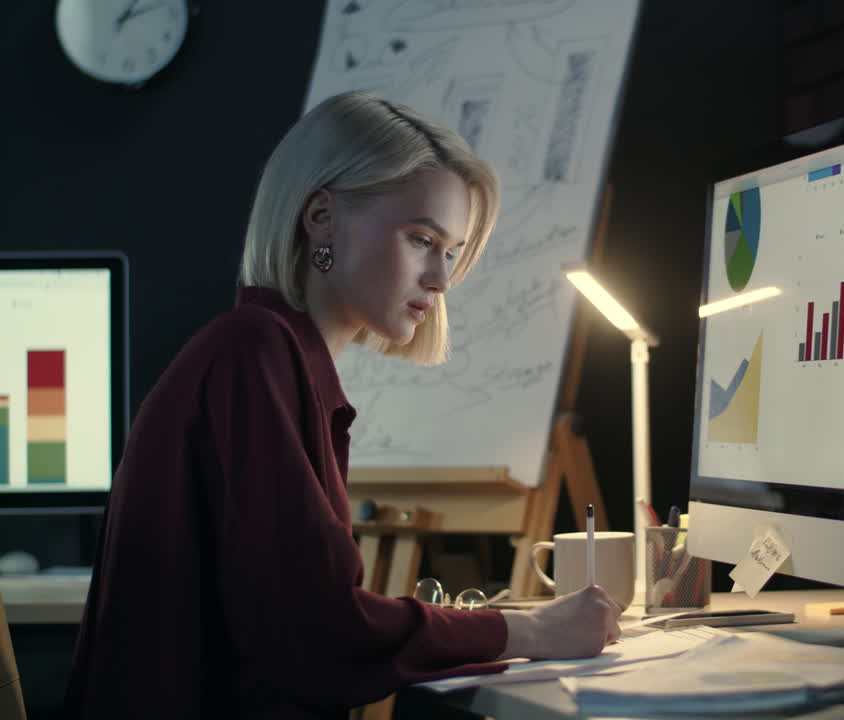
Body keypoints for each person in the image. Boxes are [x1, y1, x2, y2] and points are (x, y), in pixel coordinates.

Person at [65, 91, 622, 719]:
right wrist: (533, 631)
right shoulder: (253, 354)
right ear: (321, 216)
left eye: (453, 252)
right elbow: (319, 634)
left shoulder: (276, 360)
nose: (441, 281)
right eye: (421, 239)